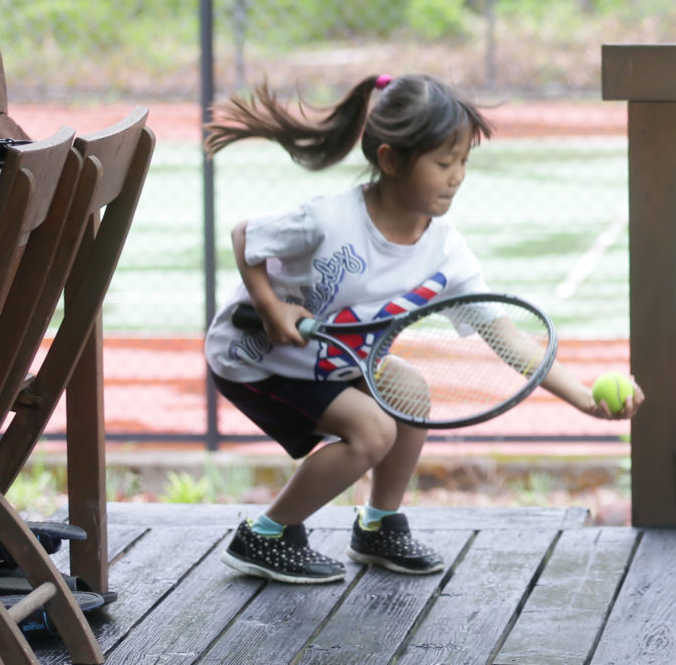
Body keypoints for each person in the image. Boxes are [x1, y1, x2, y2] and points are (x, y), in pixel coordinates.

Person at [202, 72, 643, 584]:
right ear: (390, 160)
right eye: (442, 162)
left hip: (330, 363)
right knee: (373, 430)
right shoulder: (330, 222)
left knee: (407, 391)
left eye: (463, 163)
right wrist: (272, 309)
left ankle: (378, 525)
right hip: (256, 361)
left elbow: (503, 334)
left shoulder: (445, 253)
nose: (457, 176)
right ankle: (266, 534)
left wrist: (583, 398)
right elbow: (245, 237)